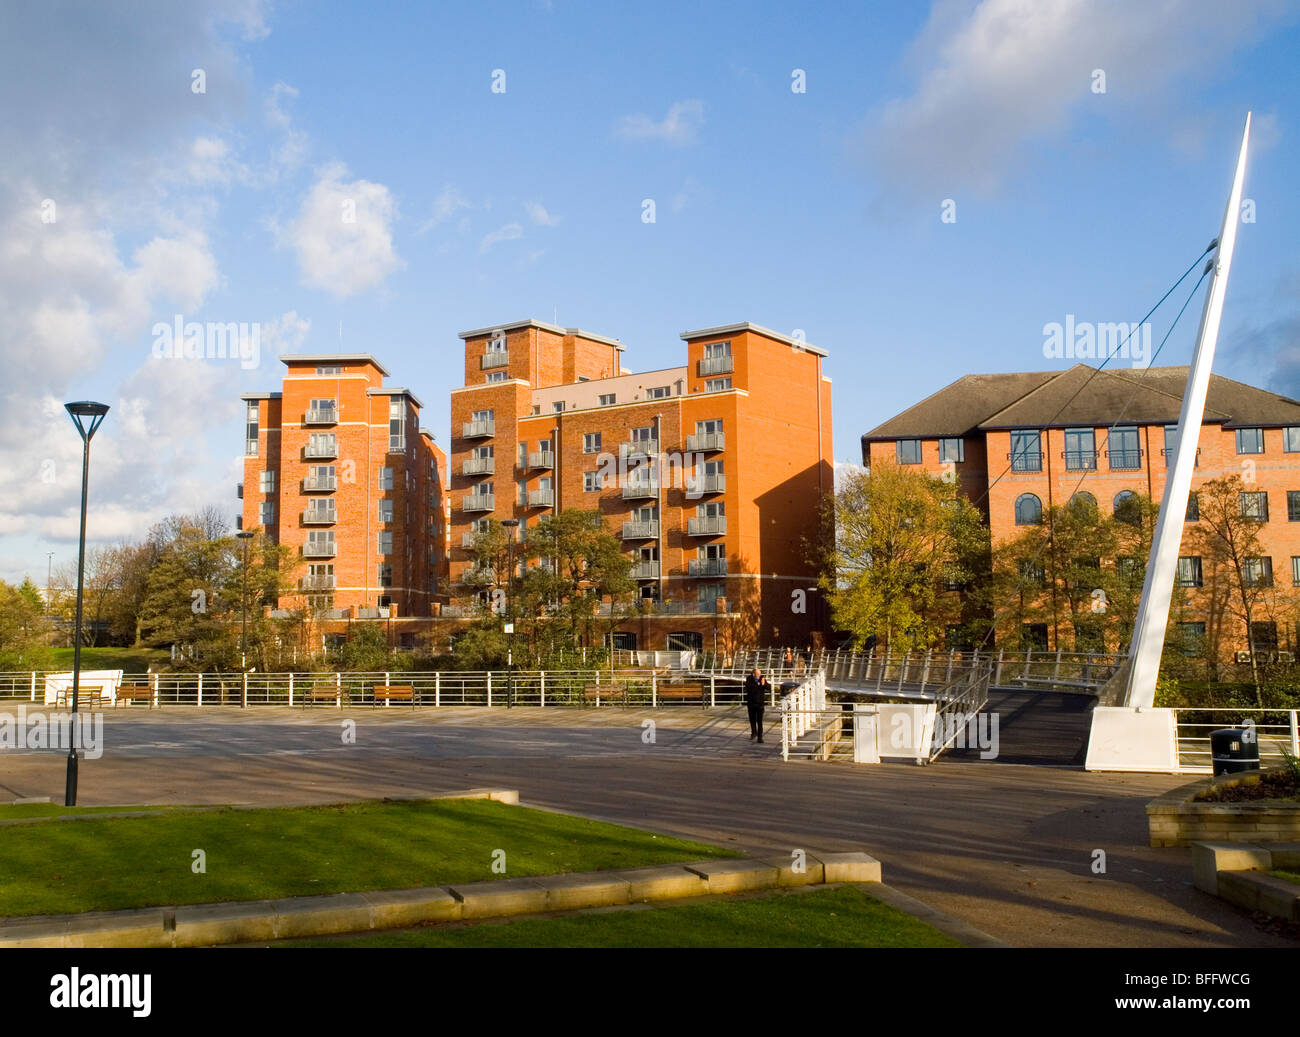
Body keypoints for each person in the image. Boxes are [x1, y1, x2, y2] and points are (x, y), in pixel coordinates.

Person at [744, 667, 769, 743]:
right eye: (757, 674)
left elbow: (768, 687)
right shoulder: (749, 679)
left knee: (760, 721)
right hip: (751, 703)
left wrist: (764, 684)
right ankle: (754, 732)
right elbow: (749, 688)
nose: (759, 675)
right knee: (752, 720)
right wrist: (758, 685)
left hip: (760, 703)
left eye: (759, 673)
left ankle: (760, 737)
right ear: (753, 674)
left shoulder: (762, 678)